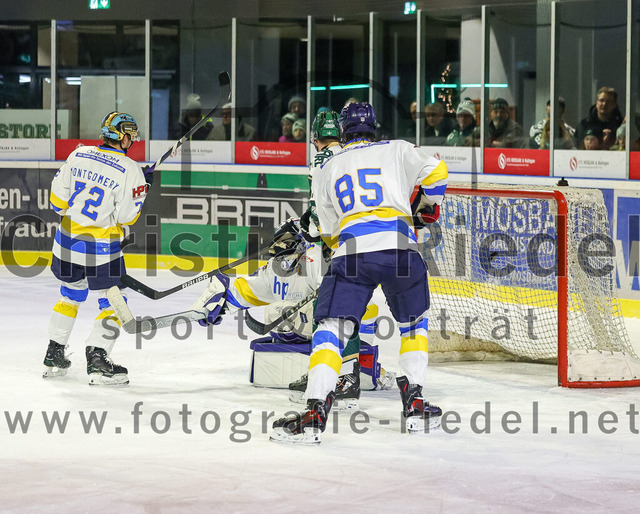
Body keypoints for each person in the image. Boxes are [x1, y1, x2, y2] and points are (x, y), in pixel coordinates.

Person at [269, 102, 448, 444]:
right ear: (373, 128)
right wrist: (426, 206)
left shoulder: (329, 166)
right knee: (414, 324)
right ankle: (415, 404)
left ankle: (314, 411)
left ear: (343, 130)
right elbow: (438, 172)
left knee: (331, 329)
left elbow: (327, 231)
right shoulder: (398, 148)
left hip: (352, 253)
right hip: (401, 249)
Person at [43, 112, 150, 385]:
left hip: (65, 244)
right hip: (101, 249)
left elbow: (57, 203)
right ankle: (98, 359)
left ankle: (54, 354)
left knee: (70, 294)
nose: (132, 140)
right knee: (114, 299)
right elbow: (127, 217)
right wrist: (140, 190)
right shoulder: (131, 170)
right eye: (130, 135)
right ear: (122, 137)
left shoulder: (78, 154)